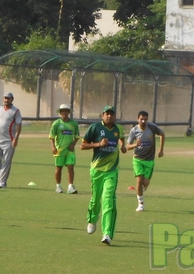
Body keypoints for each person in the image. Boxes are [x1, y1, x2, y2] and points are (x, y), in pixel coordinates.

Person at [81, 106, 127, 245]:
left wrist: (123, 146)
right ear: (102, 115)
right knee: (96, 199)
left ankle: (107, 233)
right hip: (97, 170)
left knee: (108, 200)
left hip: (112, 170)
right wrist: (98, 144)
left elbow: (121, 138)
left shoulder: (118, 129)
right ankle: (92, 219)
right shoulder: (95, 128)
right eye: (107, 114)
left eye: (112, 114)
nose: (109, 116)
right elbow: (83, 145)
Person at [126, 110, 165, 212]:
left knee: (145, 183)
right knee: (139, 181)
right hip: (137, 159)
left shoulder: (152, 127)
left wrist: (161, 150)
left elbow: (162, 134)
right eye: (141, 119)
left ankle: (143, 189)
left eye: (145, 119)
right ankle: (141, 204)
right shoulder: (134, 131)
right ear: (137, 119)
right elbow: (128, 146)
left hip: (149, 160)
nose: (143, 121)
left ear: (147, 119)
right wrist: (136, 144)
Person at [0, 92, 22, 189]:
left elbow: (19, 126)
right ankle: (3, 177)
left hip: (9, 140)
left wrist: (16, 138)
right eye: (5, 98)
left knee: (7, 161)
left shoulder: (16, 111)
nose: (6, 100)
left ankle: (1, 182)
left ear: (12, 99)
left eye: (8, 98)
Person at [49, 104, 80, 194]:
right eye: (62, 111)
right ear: (60, 113)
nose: (64, 113)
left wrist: (73, 144)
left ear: (69, 112)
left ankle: (70, 186)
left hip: (70, 150)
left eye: (66, 111)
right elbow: (51, 136)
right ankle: (58, 186)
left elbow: (77, 136)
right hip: (60, 150)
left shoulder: (73, 124)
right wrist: (53, 146)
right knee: (59, 168)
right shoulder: (56, 123)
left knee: (70, 167)